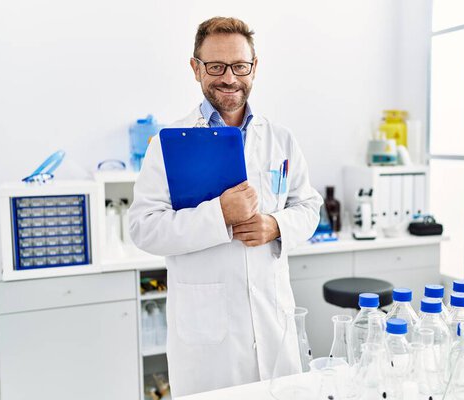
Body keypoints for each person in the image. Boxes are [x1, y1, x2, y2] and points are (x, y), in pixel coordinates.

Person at [128, 17, 322, 397]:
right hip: (208, 339)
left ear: (254, 67)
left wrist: (276, 225)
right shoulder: (168, 144)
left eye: (240, 66)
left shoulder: (280, 138)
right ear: (195, 68)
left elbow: (308, 206)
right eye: (215, 67)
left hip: (273, 322)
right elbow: (144, 227)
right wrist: (220, 215)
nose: (229, 78)